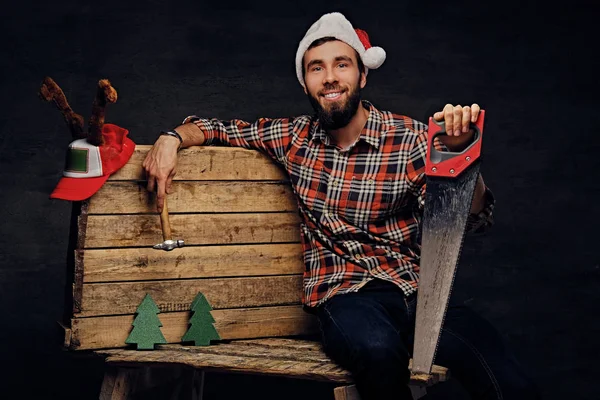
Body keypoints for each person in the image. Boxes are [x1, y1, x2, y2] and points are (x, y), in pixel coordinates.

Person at [143, 12, 540, 400]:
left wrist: (462, 157)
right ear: (305, 85)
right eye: (316, 68)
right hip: (346, 297)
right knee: (378, 352)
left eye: (341, 64)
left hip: (416, 294)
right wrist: (169, 139)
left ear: (362, 75)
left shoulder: (412, 139)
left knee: (502, 372)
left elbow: (471, 221)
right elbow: (217, 127)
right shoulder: (293, 136)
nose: (330, 76)